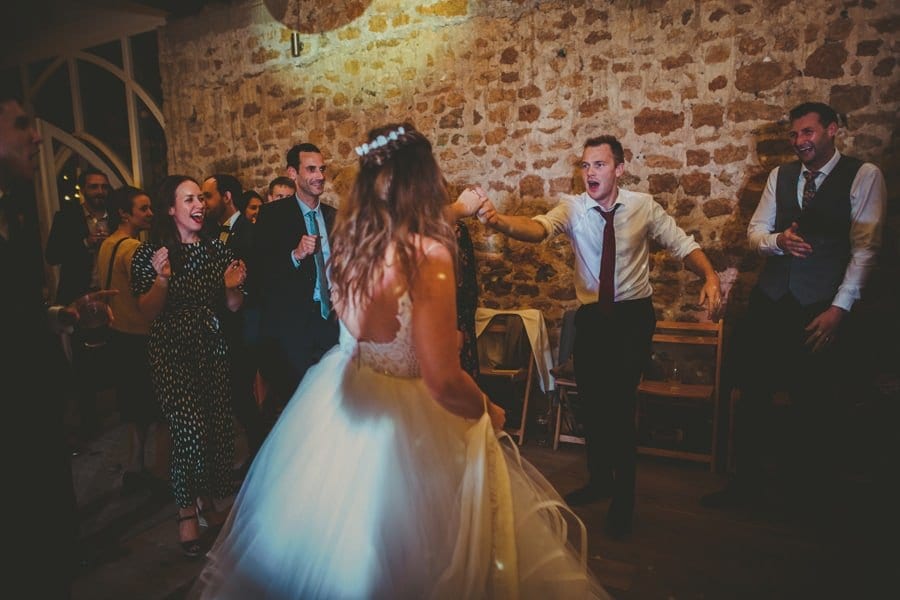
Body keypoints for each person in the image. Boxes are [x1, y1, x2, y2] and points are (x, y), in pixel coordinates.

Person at [193, 123, 609, 599]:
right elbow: (441, 379)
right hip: (407, 418)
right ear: (421, 179)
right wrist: (486, 410)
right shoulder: (427, 253)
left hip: (339, 401)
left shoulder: (350, 242)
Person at [477, 134, 722, 538]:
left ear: (619, 169)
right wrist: (499, 221)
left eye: (600, 165)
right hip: (591, 319)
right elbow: (539, 229)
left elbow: (683, 245)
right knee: (591, 404)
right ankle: (599, 479)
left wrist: (711, 275)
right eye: (586, 166)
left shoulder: (643, 206)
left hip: (632, 318)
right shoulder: (573, 208)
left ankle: (623, 499)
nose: (590, 173)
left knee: (620, 405)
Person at [701, 102, 886, 509]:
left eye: (808, 132)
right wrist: (778, 241)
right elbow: (754, 234)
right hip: (771, 301)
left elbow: (866, 250)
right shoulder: (779, 177)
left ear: (832, 130)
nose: (800, 141)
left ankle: (807, 495)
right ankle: (745, 486)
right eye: (794, 135)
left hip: (821, 304)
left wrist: (840, 307)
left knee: (814, 401)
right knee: (752, 395)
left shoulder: (864, 175)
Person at [1, 86, 117, 598]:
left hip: (36, 400)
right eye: (23, 124)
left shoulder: (16, 211)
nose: (37, 140)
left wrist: (60, 314)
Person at [131, 175, 247, 557]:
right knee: (189, 428)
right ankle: (185, 513)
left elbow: (232, 307)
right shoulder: (150, 255)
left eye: (201, 198)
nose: (199, 204)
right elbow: (147, 312)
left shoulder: (216, 250)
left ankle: (207, 501)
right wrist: (162, 280)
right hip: (171, 349)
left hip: (211, 345)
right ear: (171, 208)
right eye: (189, 199)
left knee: (214, 425)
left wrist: (232, 286)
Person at [252, 143, 339, 425]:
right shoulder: (273, 216)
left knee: (333, 400)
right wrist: (296, 254)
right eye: (311, 169)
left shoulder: (333, 216)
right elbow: (261, 272)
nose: (319, 176)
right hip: (294, 329)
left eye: (322, 169)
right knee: (300, 406)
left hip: (331, 322)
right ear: (293, 173)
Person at [98, 185, 170, 495]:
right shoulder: (137, 250)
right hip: (142, 337)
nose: (151, 214)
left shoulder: (106, 245)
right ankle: (163, 472)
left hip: (118, 336)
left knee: (132, 407)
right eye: (143, 209)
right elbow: (147, 301)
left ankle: (135, 465)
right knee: (160, 410)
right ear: (124, 214)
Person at [202, 173, 266, 470]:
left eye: (208, 196)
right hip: (227, 324)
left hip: (247, 323)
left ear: (226, 197)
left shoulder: (248, 233)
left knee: (242, 390)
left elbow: (256, 282)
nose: (204, 203)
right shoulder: (216, 231)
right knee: (236, 392)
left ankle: (260, 451)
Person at [46, 167, 113, 442]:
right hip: (79, 296)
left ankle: (122, 412)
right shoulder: (67, 217)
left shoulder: (115, 215)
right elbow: (52, 255)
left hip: (108, 293)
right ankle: (88, 422)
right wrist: (84, 242)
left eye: (103, 187)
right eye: (94, 187)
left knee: (113, 352)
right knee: (82, 360)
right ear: (83, 190)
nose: (100, 192)